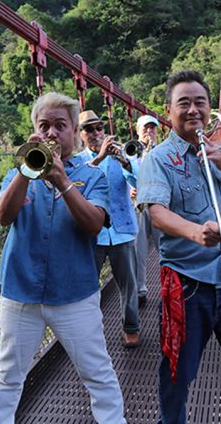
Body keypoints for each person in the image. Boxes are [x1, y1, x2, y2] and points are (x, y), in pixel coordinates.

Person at [137, 70, 221, 423]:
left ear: (210, 108)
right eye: (184, 103)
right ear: (169, 112)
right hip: (186, 286)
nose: (193, 109)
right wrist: (196, 232)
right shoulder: (159, 158)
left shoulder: (220, 152)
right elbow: (157, 214)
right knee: (177, 376)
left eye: (200, 102)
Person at [0, 92, 124, 423]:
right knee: (7, 376)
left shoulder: (93, 176)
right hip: (21, 293)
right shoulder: (16, 174)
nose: (51, 133)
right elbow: (3, 217)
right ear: (35, 129)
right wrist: (26, 168)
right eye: (43, 126)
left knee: (97, 374)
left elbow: (94, 225)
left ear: (73, 130)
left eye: (59, 126)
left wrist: (63, 180)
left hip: (74, 294)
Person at [79, 110, 141, 349]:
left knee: (128, 284)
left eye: (99, 128)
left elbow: (140, 183)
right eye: (89, 129)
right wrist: (100, 157)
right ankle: (89, 331)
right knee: (88, 285)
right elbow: (78, 186)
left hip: (122, 229)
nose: (96, 133)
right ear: (80, 134)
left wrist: (125, 162)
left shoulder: (122, 156)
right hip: (92, 233)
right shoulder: (77, 161)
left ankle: (131, 327)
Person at [133, 114, 162, 307]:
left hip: (160, 206)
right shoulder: (129, 152)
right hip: (139, 206)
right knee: (138, 252)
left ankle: (170, 288)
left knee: (167, 249)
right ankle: (140, 290)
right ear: (137, 130)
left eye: (152, 128)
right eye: (145, 128)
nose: (149, 131)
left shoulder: (163, 152)